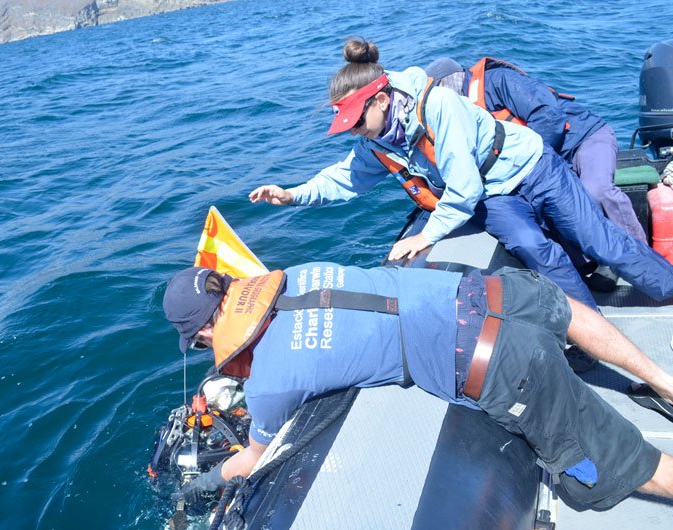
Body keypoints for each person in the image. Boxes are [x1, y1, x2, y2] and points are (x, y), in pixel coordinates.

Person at [163, 262, 673, 510]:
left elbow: (253, 459)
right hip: (490, 288)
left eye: (200, 340)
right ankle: (663, 382)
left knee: (626, 466)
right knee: (564, 311)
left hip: (498, 361)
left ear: (206, 331)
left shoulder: (268, 385)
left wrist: (199, 485)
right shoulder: (295, 273)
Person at [248, 39, 673, 311]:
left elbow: (463, 187)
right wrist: (292, 195)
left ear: (379, 100)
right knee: (536, 251)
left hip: (531, 167)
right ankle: (592, 335)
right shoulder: (377, 141)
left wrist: (424, 236)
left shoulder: (439, 107)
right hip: (496, 197)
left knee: (599, 239)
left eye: (356, 121)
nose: (354, 131)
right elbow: (342, 178)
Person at [425, 56, 646, 289]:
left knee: (595, 189)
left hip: (584, 138)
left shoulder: (498, 81)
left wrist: (546, 167)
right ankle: (592, 263)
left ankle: (637, 254)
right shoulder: (454, 120)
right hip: (543, 160)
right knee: (543, 208)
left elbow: (548, 115)